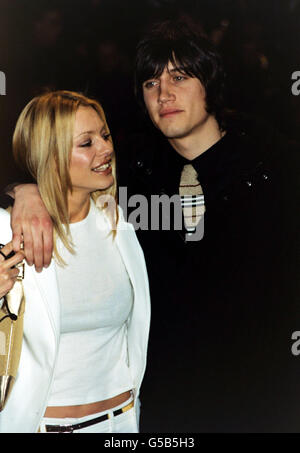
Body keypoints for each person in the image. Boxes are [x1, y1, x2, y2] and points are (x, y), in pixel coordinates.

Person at [3, 21, 300, 432]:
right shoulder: (132, 173)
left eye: (179, 76)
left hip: (256, 401)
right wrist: (24, 190)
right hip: (159, 411)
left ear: (209, 82)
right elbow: (51, 152)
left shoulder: (275, 166)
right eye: (150, 83)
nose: (164, 94)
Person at [0, 90, 150, 433]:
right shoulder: (7, 231)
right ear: (50, 156)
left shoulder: (120, 223)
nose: (106, 148)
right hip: (41, 426)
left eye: (105, 135)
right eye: (87, 143)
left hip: (123, 422)